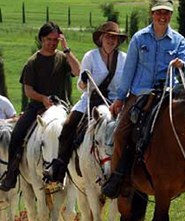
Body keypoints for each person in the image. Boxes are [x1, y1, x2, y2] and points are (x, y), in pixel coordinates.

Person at [101, 0, 185, 199]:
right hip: (140, 94)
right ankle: (118, 178)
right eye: (159, 12)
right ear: (152, 14)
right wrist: (120, 98)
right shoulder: (139, 38)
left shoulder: (179, 40)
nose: (163, 16)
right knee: (119, 134)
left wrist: (182, 65)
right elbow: (129, 70)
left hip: (168, 94)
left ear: (171, 15)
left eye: (166, 13)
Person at [0, 22, 80, 191]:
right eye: (49, 39)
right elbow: (28, 90)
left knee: (82, 134)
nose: (52, 43)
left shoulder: (63, 58)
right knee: (17, 135)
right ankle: (11, 175)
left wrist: (66, 49)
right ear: (42, 39)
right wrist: (42, 99)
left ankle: (81, 173)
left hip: (61, 107)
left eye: (56, 39)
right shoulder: (32, 62)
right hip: (37, 108)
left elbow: (77, 71)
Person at [43, 21, 127, 184]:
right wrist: (83, 81)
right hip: (90, 100)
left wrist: (121, 100)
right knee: (68, 126)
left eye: (114, 38)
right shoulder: (91, 56)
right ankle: (59, 168)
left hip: (116, 102)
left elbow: (127, 83)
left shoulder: (124, 58)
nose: (111, 41)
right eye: (108, 37)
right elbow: (81, 87)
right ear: (101, 38)